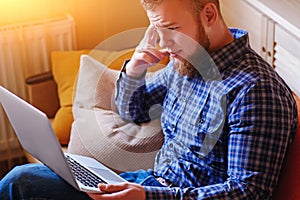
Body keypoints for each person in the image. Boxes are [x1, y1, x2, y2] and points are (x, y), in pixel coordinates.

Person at [0, 0, 298, 199]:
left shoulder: (255, 91)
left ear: (209, 15)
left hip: (160, 194)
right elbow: (132, 110)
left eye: (171, 29)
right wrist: (135, 69)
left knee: (22, 185)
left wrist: (147, 197)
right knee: (22, 180)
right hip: (149, 183)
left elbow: (247, 193)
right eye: (158, 29)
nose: (164, 44)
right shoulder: (189, 63)